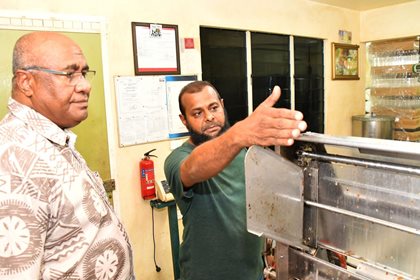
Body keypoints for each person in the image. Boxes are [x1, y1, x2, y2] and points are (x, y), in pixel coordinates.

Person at [0, 31, 134, 279]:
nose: (85, 85)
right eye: (69, 74)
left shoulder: (48, 138)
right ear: (26, 82)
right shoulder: (14, 160)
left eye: (83, 73)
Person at [164, 81, 307, 280]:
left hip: (252, 273)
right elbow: (194, 167)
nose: (209, 117)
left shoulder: (243, 153)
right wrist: (240, 134)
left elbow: (259, 206)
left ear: (222, 105)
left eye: (214, 108)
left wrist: (270, 253)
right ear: (184, 120)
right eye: (197, 113)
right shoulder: (177, 160)